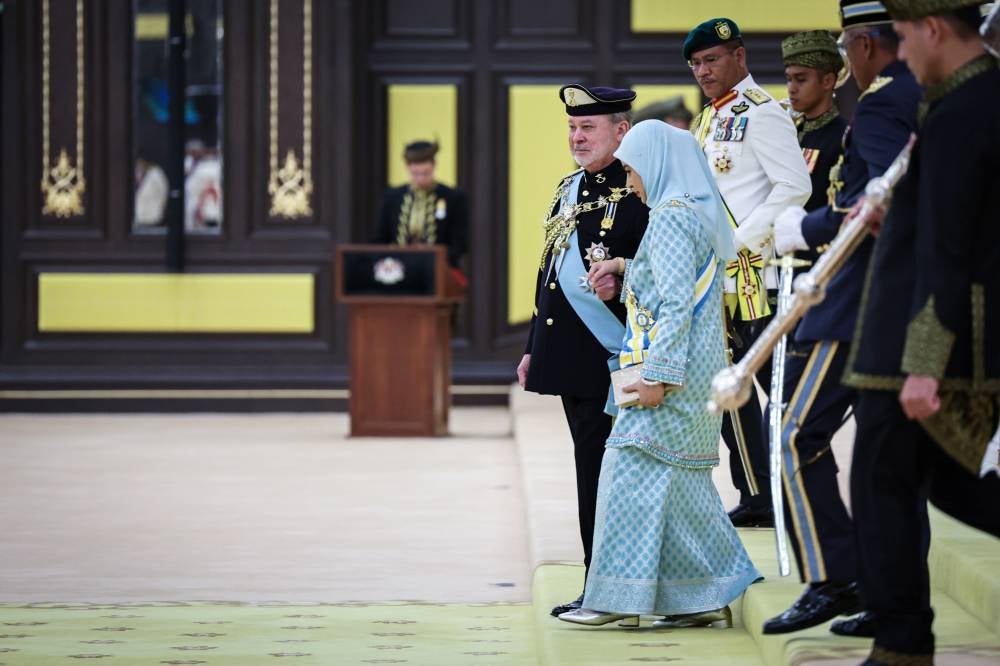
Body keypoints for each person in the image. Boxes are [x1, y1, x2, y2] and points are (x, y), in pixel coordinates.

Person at [843, 1, 1000, 662]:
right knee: (906, 483)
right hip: (913, 333)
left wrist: (926, 363)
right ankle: (900, 641)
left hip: (925, 340)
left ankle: (902, 643)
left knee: (896, 482)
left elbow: (953, 243)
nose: (899, 54)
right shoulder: (962, 97)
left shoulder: (968, 106)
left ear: (932, 29)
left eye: (904, 38)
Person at [557, 120, 760, 628]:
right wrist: (627, 268)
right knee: (684, 488)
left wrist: (657, 377)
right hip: (701, 376)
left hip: (671, 379)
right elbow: (678, 282)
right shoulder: (693, 214)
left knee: (625, 478)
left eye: (632, 167)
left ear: (656, 163)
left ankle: (614, 600)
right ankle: (699, 598)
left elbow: (673, 307)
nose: (630, 180)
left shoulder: (668, 218)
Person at [765, 1, 921, 636]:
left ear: (861, 47)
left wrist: (800, 227)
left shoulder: (884, 101)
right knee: (891, 465)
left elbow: (873, 205)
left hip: (853, 301)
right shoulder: (922, 95)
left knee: (796, 437)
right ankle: (889, 597)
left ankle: (834, 576)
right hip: (900, 301)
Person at [516, 85, 649, 617]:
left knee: (614, 472)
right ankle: (600, 582)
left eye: (589, 127)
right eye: (573, 127)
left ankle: (613, 586)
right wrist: (533, 346)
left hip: (617, 354)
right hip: (571, 353)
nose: (577, 137)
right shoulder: (567, 189)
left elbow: (666, 270)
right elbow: (549, 274)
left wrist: (625, 281)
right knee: (588, 466)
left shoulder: (640, 189)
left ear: (621, 130)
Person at [685, 17, 812, 527]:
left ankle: (778, 494)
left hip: (758, 274)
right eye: (695, 64)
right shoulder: (708, 119)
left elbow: (793, 188)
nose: (702, 71)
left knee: (769, 391)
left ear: (738, 56)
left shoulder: (763, 114)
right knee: (728, 386)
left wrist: (736, 243)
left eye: (711, 60)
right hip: (719, 279)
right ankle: (755, 493)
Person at [374, 140, 467, 268]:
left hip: (438, 268)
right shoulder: (392, 197)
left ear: (434, 166)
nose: (421, 179)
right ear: (407, 168)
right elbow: (380, 238)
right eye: (416, 174)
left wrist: (436, 257)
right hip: (399, 265)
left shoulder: (452, 197)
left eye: (426, 173)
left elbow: (459, 243)